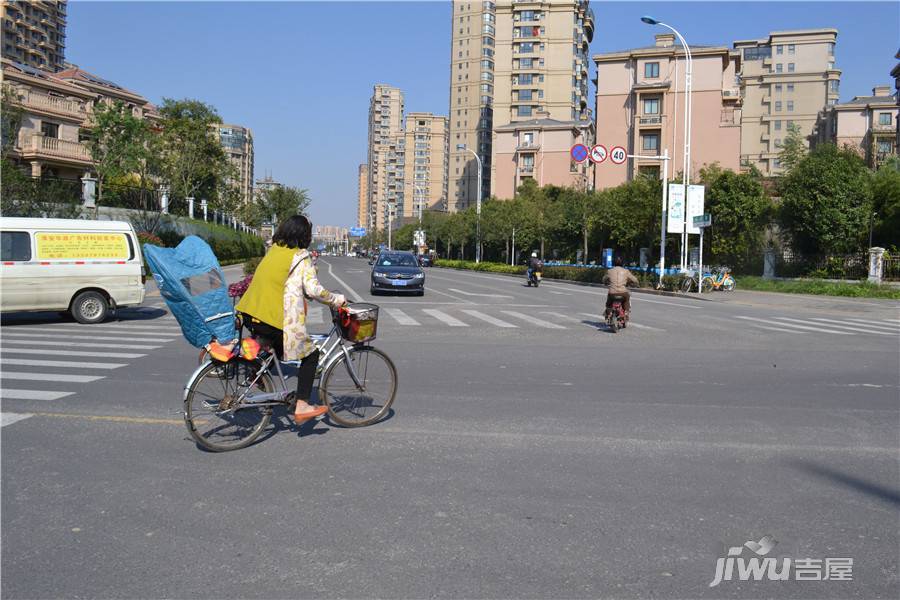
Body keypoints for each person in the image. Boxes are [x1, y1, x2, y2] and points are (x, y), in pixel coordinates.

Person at [236, 215, 346, 424]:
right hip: (273, 317)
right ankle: (302, 405)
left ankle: (256, 379)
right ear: (303, 236)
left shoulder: (274, 250)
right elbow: (314, 290)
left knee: (274, 351)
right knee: (311, 355)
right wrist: (336, 300)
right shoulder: (300, 257)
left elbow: (282, 283)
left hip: (250, 313)